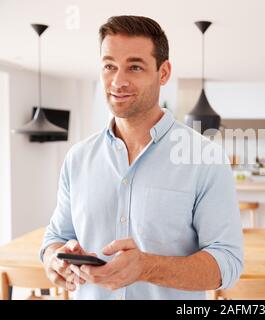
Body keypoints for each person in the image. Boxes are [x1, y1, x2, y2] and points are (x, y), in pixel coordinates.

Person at [40, 15, 243, 300]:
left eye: (134, 67)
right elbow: (55, 238)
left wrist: (147, 267)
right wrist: (55, 260)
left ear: (163, 72)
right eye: (109, 66)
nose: (118, 81)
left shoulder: (205, 158)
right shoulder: (78, 158)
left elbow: (227, 264)